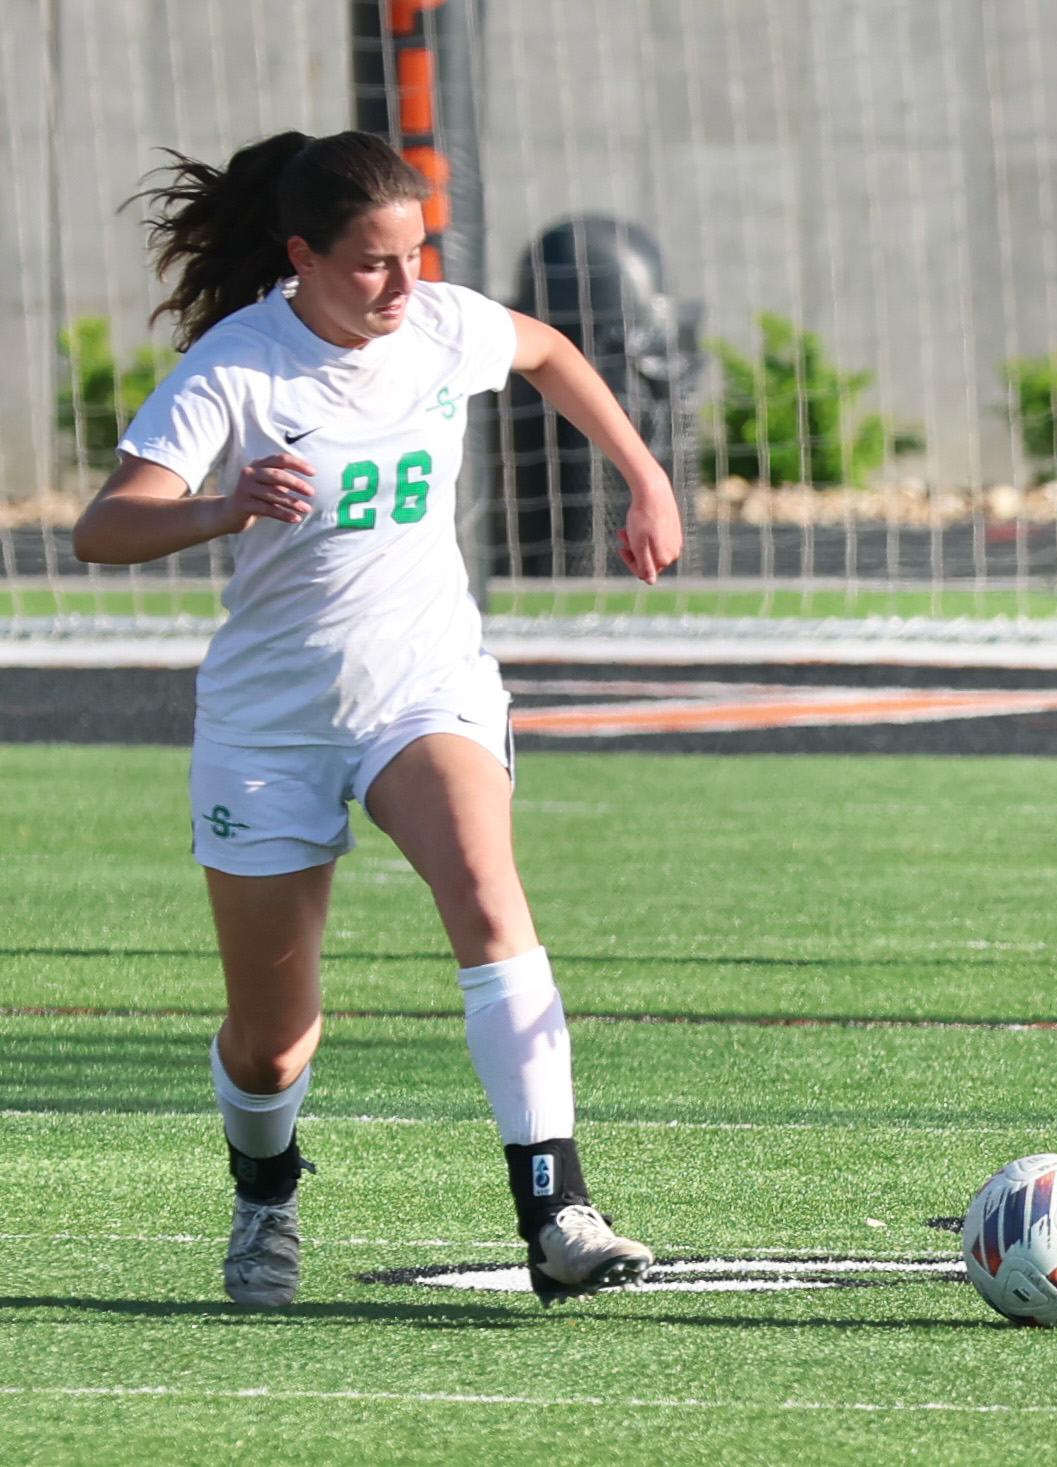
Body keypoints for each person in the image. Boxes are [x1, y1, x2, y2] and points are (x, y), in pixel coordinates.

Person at [71, 131, 683, 1308]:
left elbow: (551, 351)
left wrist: (645, 477)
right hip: (272, 722)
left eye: (417, 255)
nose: (405, 285)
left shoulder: (443, 325)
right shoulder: (237, 366)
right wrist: (222, 508)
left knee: (490, 900)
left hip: (424, 688)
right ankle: (265, 1194)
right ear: (302, 257)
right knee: (273, 1044)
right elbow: (104, 529)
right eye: (372, 263)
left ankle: (557, 1211)